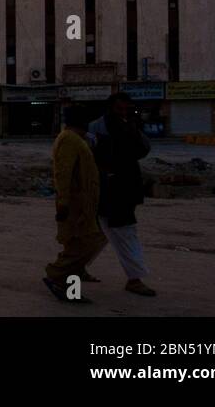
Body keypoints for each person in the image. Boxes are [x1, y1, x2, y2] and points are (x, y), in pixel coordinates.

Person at [88, 92, 155, 296]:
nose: (123, 113)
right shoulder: (97, 128)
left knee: (100, 233)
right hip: (111, 189)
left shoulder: (130, 126)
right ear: (110, 108)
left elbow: (144, 148)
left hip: (125, 187)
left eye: (126, 109)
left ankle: (72, 267)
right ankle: (134, 279)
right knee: (125, 233)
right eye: (120, 109)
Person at [44, 105, 105, 303]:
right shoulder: (69, 140)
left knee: (79, 243)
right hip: (75, 204)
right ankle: (56, 275)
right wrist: (63, 203)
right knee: (89, 242)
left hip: (83, 202)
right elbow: (63, 173)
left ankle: (72, 283)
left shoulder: (77, 139)